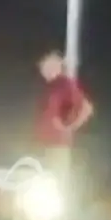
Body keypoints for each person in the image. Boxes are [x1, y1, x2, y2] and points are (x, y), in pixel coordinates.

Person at [35, 48, 93, 188]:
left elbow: (87, 108)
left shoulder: (65, 84)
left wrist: (70, 127)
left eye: (45, 67)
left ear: (56, 66)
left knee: (56, 185)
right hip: (45, 146)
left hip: (58, 147)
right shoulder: (51, 88)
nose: (43, 71)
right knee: (45, 185)